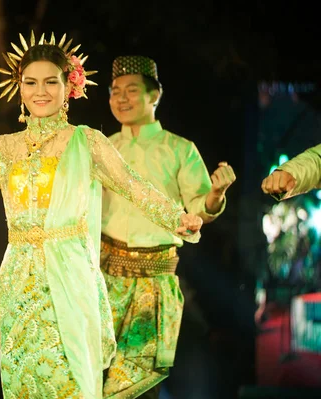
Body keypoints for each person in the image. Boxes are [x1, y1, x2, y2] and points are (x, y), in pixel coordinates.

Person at [0, 32, 203, 399]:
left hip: (71, 276)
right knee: (24, 379)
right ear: (20, 88)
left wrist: (176, 217)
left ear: (68, 87)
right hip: (20, 281)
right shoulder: (1, 147)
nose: (39, 91)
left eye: (50, 82)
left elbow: (134, 186)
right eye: (30, 82)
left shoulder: (87, 142)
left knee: (69, 380)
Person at [100, 55, 236, 398]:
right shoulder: (102, 149)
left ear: (154, 95)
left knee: (137, 383)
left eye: (132, 90)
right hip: (102, 280)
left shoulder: (179, 150)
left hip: (153, 283)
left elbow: (198, 211)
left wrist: (215, 194)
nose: (122, 98)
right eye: (115, 91)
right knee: (94, 376)